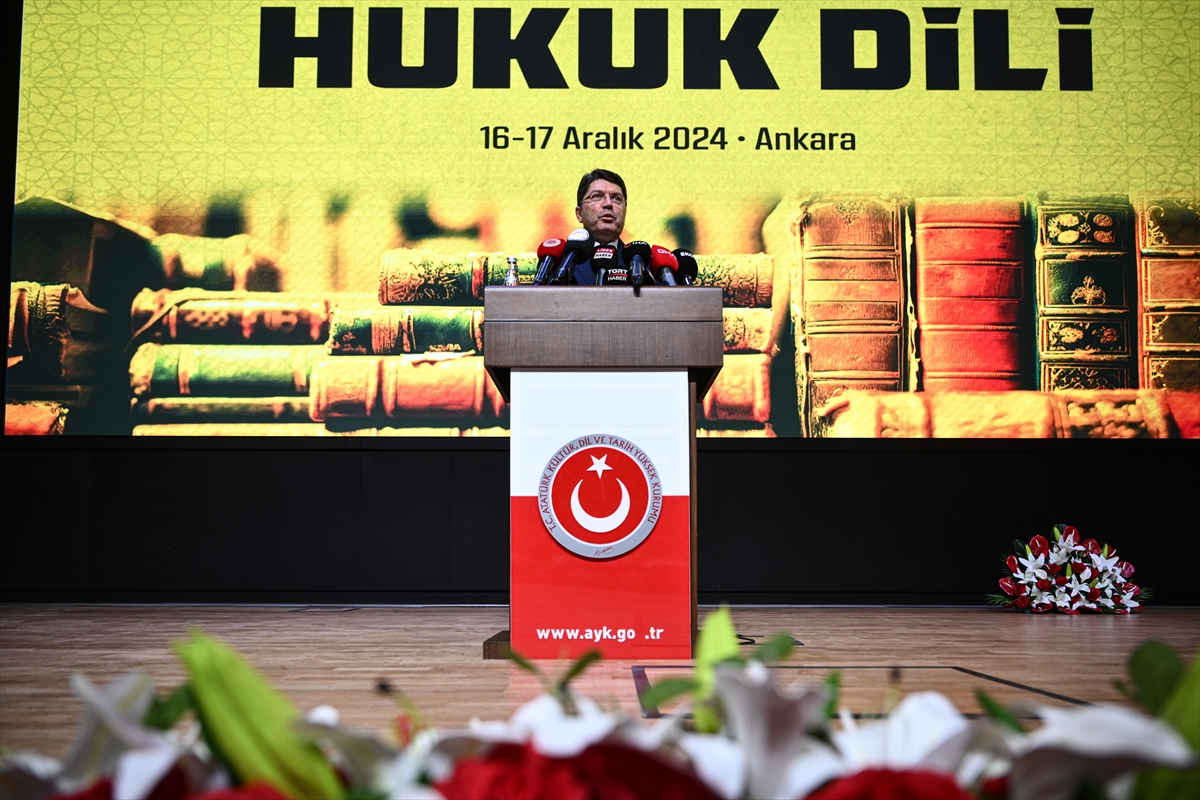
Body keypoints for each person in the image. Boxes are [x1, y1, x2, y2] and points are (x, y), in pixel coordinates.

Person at [570, 168, 629, 285]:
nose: (608, 204)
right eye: (597, 196)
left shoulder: (643, 264)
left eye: (616, 198)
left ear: (625, 212)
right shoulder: (558, 263)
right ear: (579, 213)